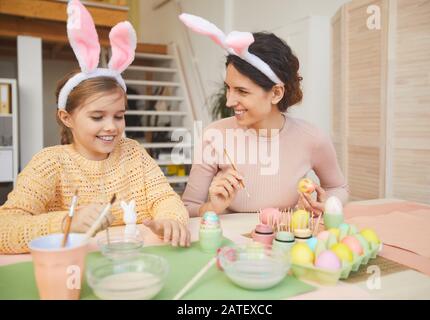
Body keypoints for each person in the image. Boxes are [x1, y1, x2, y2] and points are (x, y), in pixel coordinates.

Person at [0, 0, 189, 254]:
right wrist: (68, 222)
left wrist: (171, 219)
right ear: (67, 118)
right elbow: (5, 229)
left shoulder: (133, 152)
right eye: (97, 117)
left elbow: (165, 197)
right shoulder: (50, 163)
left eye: (119, 116)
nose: (111, 127)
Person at [179, 13, 349, 217]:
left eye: (242, 91)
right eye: (228, 88)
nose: (229, 101)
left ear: (276, 93)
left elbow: (338, 187)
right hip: (232, 244)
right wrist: (212, 207)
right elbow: (187, 207)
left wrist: (328, 204)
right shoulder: (214, 135)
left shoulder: (312, 138)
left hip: (285, 241)